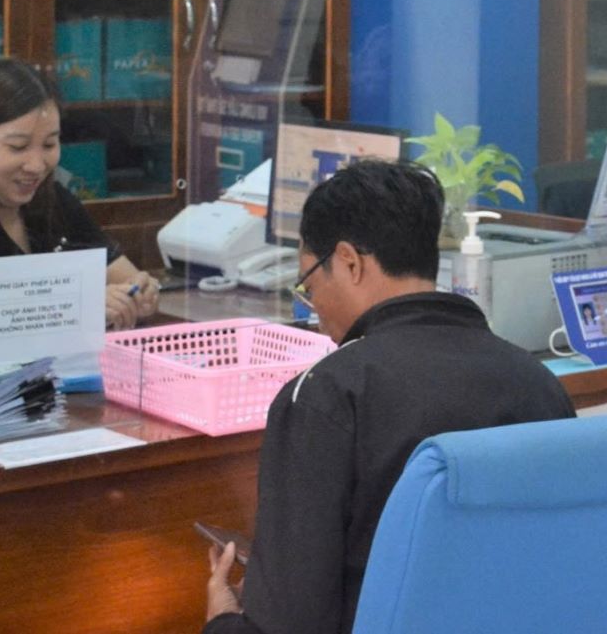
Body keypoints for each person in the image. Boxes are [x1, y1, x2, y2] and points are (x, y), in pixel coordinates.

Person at [202, 159, 576, 634]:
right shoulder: (537, 382)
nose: (314, 312)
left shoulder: (327, 394)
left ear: (349, 262)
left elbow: (291, 624)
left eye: (310, 285)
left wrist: (222, 620)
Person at [0, 58, 159, 355]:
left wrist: (140, 293)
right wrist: (72, 311)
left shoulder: (54, 202)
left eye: (50, 145)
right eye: (18, 147)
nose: (37, 165)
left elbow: (126, 279)